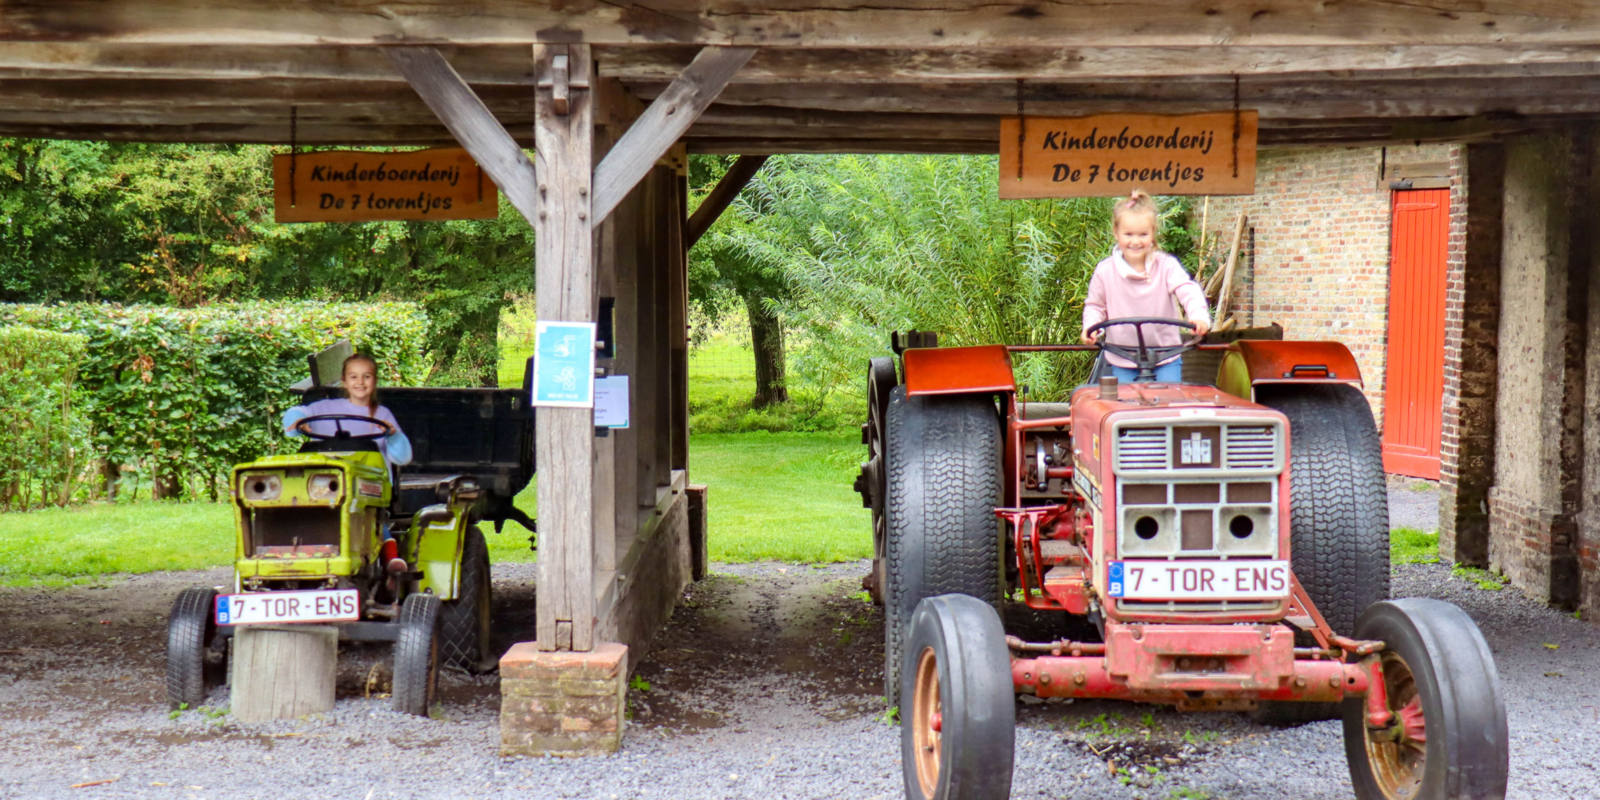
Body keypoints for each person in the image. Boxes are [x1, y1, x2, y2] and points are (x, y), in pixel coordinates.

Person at [1080, 189, 1212, 384]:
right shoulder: (1105, 271)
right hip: (1123, 357)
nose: (1135, 241)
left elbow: (1188, 290)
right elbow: (1095, 306)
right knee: (1126, 408)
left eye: (1143, 234)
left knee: (1169, 405)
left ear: (1152, 234)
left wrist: (1198, 316)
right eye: (1128, 234)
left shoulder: (1166, 265)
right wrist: (1091, 328)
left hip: (1166, 355)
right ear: (1116, 232)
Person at [281, 353, 413, 468]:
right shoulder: (323, 408)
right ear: (344, 381)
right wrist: (298, 420)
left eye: (366, 377)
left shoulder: (382, 414)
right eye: (353, 377)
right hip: (325, 483)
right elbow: (294, 415)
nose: (360, 382)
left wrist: (392, 436)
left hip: (371, 486)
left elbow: (403, 458)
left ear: (375, 381)